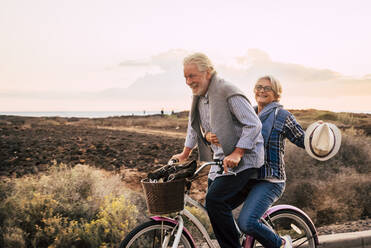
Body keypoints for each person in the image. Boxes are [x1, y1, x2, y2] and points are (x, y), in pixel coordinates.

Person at [172, 52, 265, 248]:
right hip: (221, 159)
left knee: (215, 201)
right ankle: (236, 240)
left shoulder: (226, 91)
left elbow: (254, 124)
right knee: (214, 207)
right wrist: (185, 153)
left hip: (245, 160)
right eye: (186, 77)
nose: (188, 82)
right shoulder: (199, 97)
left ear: (207, 72)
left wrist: (238, 152)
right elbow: (194, 126)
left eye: (192, 76)